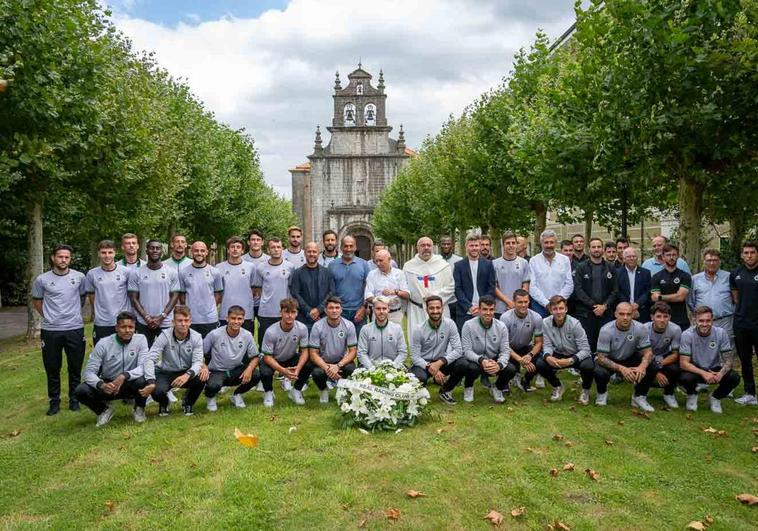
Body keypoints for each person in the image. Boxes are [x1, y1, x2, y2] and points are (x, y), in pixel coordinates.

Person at [31, 244, 87, 415]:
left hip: (74, 328)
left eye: (67, 257)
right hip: (51, 331)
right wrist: (49, 316)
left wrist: (72, 314)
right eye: (60, 257)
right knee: (52, 367)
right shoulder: (42, 280)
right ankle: (54, 402)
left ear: (70, 258)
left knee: (75, 367)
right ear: (53, 258)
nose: (63, 260)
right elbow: (37, 301)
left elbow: (82, 297)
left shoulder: (79, 277)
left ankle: (74, 399)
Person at [73, 312, 149, 426]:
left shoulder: (141, 339)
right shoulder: (103, 343)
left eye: (131, 327)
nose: (127, 330)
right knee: (80, 391)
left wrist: (124, 376)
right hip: (109, 385)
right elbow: (88, 372)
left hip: (129, 382)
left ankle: (139, 409)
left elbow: (144, 366)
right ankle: (104, 410)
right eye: (123, 327)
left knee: (144, 380)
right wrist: (101, 385)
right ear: (116, 328)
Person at [141, 306, 205, 416]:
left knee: (202, 377)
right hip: (167, 372)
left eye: (186, 321)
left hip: (186, 372)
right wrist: (151, 381)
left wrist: (187, 375)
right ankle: (164, 403)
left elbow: (198, 361)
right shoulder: (165, 335)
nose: (183, 324)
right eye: (180, 321)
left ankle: (188, 402)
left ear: (190, 322)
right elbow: (150, 358)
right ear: (173, 322)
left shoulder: (196, 337)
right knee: (157, 391)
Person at [593, 302, 656, 411]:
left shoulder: (640, 328)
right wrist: (621, 369)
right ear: (615, 314)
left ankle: (639, 396)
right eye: (622, 314)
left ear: (633, 315)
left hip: (629, 356)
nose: (625, 317)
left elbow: (648, 352)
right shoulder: (606, 330)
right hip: (610, 358)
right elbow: (601, 358)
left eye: (628, 314)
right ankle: (602, 393)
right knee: (599, 372)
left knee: (653, 365)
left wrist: (642, 366)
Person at [409, 296, 471, 405]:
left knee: (463, 363)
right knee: (419, 378)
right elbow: (414, 357)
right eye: (431, 308)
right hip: (424, 364)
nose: (435, 311)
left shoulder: (450, 324)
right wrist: (431, 367)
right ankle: (420, 396)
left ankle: (446, 391)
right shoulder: (418, 329)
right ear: (426, 310)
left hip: (441, 360)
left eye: (438, 308)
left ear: (442, 308)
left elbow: (458, 350)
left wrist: (440, 362)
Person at [679, 305, 740, 413]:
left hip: (713, 368)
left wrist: (720, 374)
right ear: (694, 320)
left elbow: (729, 360)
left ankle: (716, 397)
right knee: (684, 378)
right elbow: (684, 363)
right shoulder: (687, 334)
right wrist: (704, 373)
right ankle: (692, 394)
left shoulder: (721, 333)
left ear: (712, 320)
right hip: (696, 368)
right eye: (701, 320)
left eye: (708, 320)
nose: (705, 324)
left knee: (734, 377)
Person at [535, 296, 595, 404]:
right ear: (550, 310)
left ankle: (585, 390)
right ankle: (557, 386)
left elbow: (586, 350)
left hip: (575, 355)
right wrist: (548, 356)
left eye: (561, 308)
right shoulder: (545, 322)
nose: (558, 312)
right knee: (540, 363)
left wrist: (570, 360)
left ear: (566, 309)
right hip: (558, 353)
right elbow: (547, 344)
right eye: (555, 309)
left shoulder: (575, 324)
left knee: (588, 366)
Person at [200, 305, 261, 411]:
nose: (236, 322)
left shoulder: (247, 335)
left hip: (235, 370)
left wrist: (249, 369)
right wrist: (204, 366)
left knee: (256, 375)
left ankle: (237, 395)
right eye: (233, 318)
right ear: (227, 319)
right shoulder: (214, 334)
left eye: (239, 319)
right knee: (214, 385)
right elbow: (199, 353)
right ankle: (210, 397)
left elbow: (255, 357)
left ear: (243, 320)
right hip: (217, 371)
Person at [301, 296, 357, 403]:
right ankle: (323, 391)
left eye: (337, 307)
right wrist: (327, 368)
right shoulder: (317, 326)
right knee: (317, 373)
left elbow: (353, 351)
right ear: (326, 310)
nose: (334, 310)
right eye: (331, 308)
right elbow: (313, 354)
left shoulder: (349, 326)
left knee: (351, 369)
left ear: (341, 310)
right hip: (323, 361)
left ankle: (341, 390)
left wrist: (338, 366)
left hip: (340, 362)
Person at [128, 239, 181, 347]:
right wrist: (146, 317)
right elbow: (133, 298)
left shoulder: (171, 272)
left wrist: (161, 317)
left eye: (158, 248)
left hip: (165, 321)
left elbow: (174, 297)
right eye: (152, 248)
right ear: (146, 251)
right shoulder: (136, 273)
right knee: (144, 355)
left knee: (169, 354)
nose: (155, 250)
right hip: (143, 322)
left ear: (162, 251)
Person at [461, 296, 513, 403]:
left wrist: (499, 365)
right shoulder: (468, 325)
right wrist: (481, 360)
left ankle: (497, 388)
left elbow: (505, 350)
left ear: (494, 310)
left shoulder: (501, 326)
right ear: (479, 310)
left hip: (493, 360)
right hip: (476, 360)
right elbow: (466, 351)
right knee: (469, 367)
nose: (488, 313)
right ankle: (468, 387)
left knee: (511, 369)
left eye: (491, 310)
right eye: (485, 309)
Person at [260, 298, 311, 407]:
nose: (290, 315)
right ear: (281, 313)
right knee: (265, 371)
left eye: (293, 312)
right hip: (273, 359)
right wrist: (283, 371)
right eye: (286, 312)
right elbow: (267, 357)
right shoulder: (271, 331)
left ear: (297, 313)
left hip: (290, 357)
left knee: (309, 363)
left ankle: (296, 391)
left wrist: (297, 369)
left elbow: (305, 351)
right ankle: (268, 392)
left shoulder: (302, 328)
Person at [573, 237, 619, 352]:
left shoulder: (610, 268)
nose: (596, 249)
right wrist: (593, 306)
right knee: (588, 343)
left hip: (606, 313)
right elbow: (578, 290)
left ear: (603, 249)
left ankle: (604, 367)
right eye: (593, 247)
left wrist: (604, 306)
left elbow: (615, 290)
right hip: (586, 313)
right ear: (589, 249)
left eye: (599, 247)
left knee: (605, 343)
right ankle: (588, 366)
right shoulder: (581, 267)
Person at [404, 236, 456, 337]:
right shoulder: (408, 266)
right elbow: (404, 288)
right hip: (416, 310)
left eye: (429, 245)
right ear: (417, 248)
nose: (426, 247)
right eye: (423, 245)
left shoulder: (443, 265)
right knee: (417, 341)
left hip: (439, 310)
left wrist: (434, 296)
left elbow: (451, 287)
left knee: (441, 341)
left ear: (433, 247)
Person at [252, 237, 296, 347]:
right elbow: (258, 289)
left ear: (282, 249)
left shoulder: (290, 267)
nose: (276, 249)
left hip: (284, 312)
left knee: (284, 344)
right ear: (268, 250)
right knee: (264, 344)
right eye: (273, 247)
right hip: (266, 313)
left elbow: (291, 287)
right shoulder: (261, 268)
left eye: (278, 247)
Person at [86, 240, 129, 346]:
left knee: (124, 355)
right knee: (102, 355)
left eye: (110, 252)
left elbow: (131, 295)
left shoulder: (126, 272)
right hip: (102, 322)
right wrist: (96, 312)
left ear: (115, 253)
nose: (107, 256)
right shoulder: (92, 274)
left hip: (122, 321)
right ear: (99, 254)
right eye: (103, 252)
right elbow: (92, 295)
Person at [731, 241, 758, 406]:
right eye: (746, 253)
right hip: (741, 323)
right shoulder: (735, 273)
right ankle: (749, 393)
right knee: (745, 359)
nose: (749, 255)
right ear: (742, 255)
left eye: (752, 252)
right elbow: (736, 298)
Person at [500, 289, 543, 392]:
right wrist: (520, 360)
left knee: (541, 361)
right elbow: (504, 345)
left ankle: (526, 381)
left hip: (525, 347)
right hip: (508, 349)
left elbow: (539, 342)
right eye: (520, 302)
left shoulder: (537, 317)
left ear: (529, 302)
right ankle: (504, 383)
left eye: (526, 302)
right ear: (514, 302)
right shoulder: (505, 318)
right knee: (510, 368)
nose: (523, 305)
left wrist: (530, 355)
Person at [687, 249, 734, 342]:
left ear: (720, 262)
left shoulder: (729, 277)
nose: (712, 263)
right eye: (709, 260)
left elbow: (735, 298)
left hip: (724, 322)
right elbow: (690, 301)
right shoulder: (695, 279)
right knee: (701, 349)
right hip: (702, 322)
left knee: (725, 351)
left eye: (715, 260)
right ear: (704, 262)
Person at [178, 241, 223, 338]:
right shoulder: (183, 272)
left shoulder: (215, 272)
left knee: (209, 351)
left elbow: (218, 294)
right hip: (191, 319)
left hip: (210, 319)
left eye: (202, 251)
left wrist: (209, 308)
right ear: (191, 252)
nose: (199, 253)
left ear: (207, 252)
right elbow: (182, 295)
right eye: (196, 251)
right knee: (191, 350)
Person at [453, 234, 497, 332]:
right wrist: (469, 307)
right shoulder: (458, 266)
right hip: (464, 311)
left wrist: (482, 306)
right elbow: (457, 288)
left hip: (485, 311)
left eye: (476, 245)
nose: (474, 248)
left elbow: (491, 287)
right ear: (466, 247)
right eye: (471, 246)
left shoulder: (488, 264)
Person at [328, 236, 370, 335]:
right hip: (339, 312)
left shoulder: (364, 265)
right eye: (345, 246)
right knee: (339, 345)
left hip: (359, 311)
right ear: (341, 247)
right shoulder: (332, 265)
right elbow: (330, 290)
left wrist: (364, 308)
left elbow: (368, 288)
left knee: (360, 345)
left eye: (351, 246)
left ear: (355, 247)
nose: (348, 249)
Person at [290, 241, 335, 331]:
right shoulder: (297, 273)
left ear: (318, 253)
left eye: (314, 252)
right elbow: (295, 293)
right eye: (309, 251)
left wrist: (319, 310)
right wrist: (309, 311)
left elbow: (331, 292)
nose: (312, 254)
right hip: (304, 318)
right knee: (305, 345)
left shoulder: (327, 272)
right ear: (305, 253)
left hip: (323, 317)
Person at [644, 302, 682, 409]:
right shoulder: (644, 329)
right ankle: (640, 393)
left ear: (669, 317)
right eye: (658, 316)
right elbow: (642, 354)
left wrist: (658, 366)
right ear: (652, 317)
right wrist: (655, 371)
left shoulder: (675, 329)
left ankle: (669, 393)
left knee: (675, 368)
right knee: (639, 363)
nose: (662, 320)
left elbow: (675, 354)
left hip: (664, 357)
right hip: (645, 357)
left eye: (665, 316)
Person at [529, 230, 574, 317]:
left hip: (560, 306)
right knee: (540, 330)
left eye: (551, 242)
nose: (549, 245)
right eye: (546, 242)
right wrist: (546, 303)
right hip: (540, 306)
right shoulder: (534, 261)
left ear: (556, 243)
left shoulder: (564, 260)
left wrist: (557, 302)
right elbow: (532, 286)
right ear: (541, 243)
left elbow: (569, 284)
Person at [217, 236, 256, 334]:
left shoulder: (250, 267)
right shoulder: (219, 268)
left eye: (238, 247)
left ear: (242, 250)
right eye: (232, 247)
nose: (235, 249)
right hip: (225, 313)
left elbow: (254, 289)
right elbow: (217, 292)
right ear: (228, 250)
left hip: (246, 313)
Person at [356, 296, 407, 370]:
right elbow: (361, 353)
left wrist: (393, 367)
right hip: (371, 368)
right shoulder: (365, 329)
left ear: (388, 309)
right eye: (378, 309)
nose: (381, 312)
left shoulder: (397, 329)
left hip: (393, 368)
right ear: (373, 309)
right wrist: (371, 368)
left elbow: (402, 352)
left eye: (384, 308)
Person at [650, 243, 692, 332]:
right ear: (663, 257)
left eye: (674, 255)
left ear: (678, 256)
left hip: (680, 319)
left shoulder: (685, 276)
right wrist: (674, 296)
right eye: (668, 255)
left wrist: (661, 297)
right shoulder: (656, 277)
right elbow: (654, 298)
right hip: (662, 320)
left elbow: (681, 297)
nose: (671, 257)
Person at [364, 249, 409, 325]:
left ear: (389, 260)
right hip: (378, 315)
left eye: (381, 261)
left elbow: (407, 294)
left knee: (395, 336)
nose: (378, 263)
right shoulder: (372, 274)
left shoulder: (399, 274)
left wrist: (395, 292)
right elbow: (368, 295)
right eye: (376, 261)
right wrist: (380, 301)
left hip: (395, 315)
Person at [493, 232, 531, 318]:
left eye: (513, 243)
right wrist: (509, 302)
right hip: (501, 308)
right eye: (508, 243)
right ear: (503, 245)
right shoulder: (495, 264)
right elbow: (494, 287)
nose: (511, 245)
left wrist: (517, 302)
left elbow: (525, 286)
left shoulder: (524, 263)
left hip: (519, 307)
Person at [242, 229, 270, 327]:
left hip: (264, 304)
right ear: (248, 242)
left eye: (258, 240)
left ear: (262, 242)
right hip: (246, 303)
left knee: (264, 333)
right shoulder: (241, 260)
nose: (255, 242)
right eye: (253, 240)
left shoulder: (269, 260)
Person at [616, 246, 652, 323]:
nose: (632, 258)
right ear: (624, 259)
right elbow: (617, 291)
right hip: (623, 312)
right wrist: (629, 307)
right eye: (629, 256)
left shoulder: (645, 273)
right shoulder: (617, 273)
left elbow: (647, 291)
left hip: (641, 311)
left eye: (634, 256)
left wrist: (637, 304)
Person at [439, 234, 462, 326]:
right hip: (441, 299)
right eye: (444, 244)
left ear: (451, 245)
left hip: (455, 300)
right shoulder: (436, 260)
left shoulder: (459, 260)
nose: (446, 246)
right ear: (440, 245)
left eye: (448, 244)